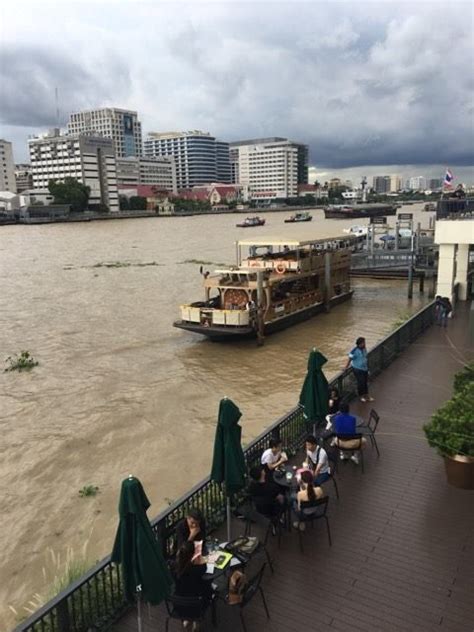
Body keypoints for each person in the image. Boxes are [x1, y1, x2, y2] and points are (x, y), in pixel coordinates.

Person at [173, 540, 213, 630]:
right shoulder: (199, 569)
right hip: (197, 606)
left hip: (179, 607)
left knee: (189, 591)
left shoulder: (175, 568)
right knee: (208, 588)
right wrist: (199, 560)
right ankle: (195, 621)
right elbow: (204, 570)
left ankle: (187, 620)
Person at [346, 337, 374, 403]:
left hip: (364, 368)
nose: (365, 344)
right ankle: (361, 396)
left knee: (365, 382)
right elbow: (350, 358)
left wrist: (367, 367)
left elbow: (365, 357)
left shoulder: (364, 349)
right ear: (360, 344)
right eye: (363, 343)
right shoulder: (354, 351)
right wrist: (346, 367)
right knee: (361, 383)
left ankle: (367, 395)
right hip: (357, 369)